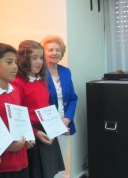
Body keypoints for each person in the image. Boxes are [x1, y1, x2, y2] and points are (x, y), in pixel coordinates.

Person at [11, 40, 65, 178]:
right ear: (23, 59)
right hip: (32, 134)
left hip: (47, 129)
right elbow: (17, 117)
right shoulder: (17, 82)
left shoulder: (40, 79)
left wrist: (57, 126)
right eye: (34, 58)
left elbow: (44, 106)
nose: (39, 62)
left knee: (49, 173)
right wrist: (34, 132)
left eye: (41, 58)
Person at [0, 43, 35, 178]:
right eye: (9, 62)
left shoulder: (15, 90)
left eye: (15, 62)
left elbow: (19, 121)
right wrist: (10, 147)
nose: (15, 67)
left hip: (21, 162)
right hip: (0, 167)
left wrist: (27, 137)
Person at [40, 35, 78, 178]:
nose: (54, 53)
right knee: (49, 165)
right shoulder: (39, 74)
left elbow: (73, 98)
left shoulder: (65, 71)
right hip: (47, 126)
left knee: (62, 161)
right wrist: (56, 124)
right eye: (50, 50)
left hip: (65, 124)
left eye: (58, 50)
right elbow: (40, 102)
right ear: (43, 52)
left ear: (62, 53)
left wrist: (67, 118)